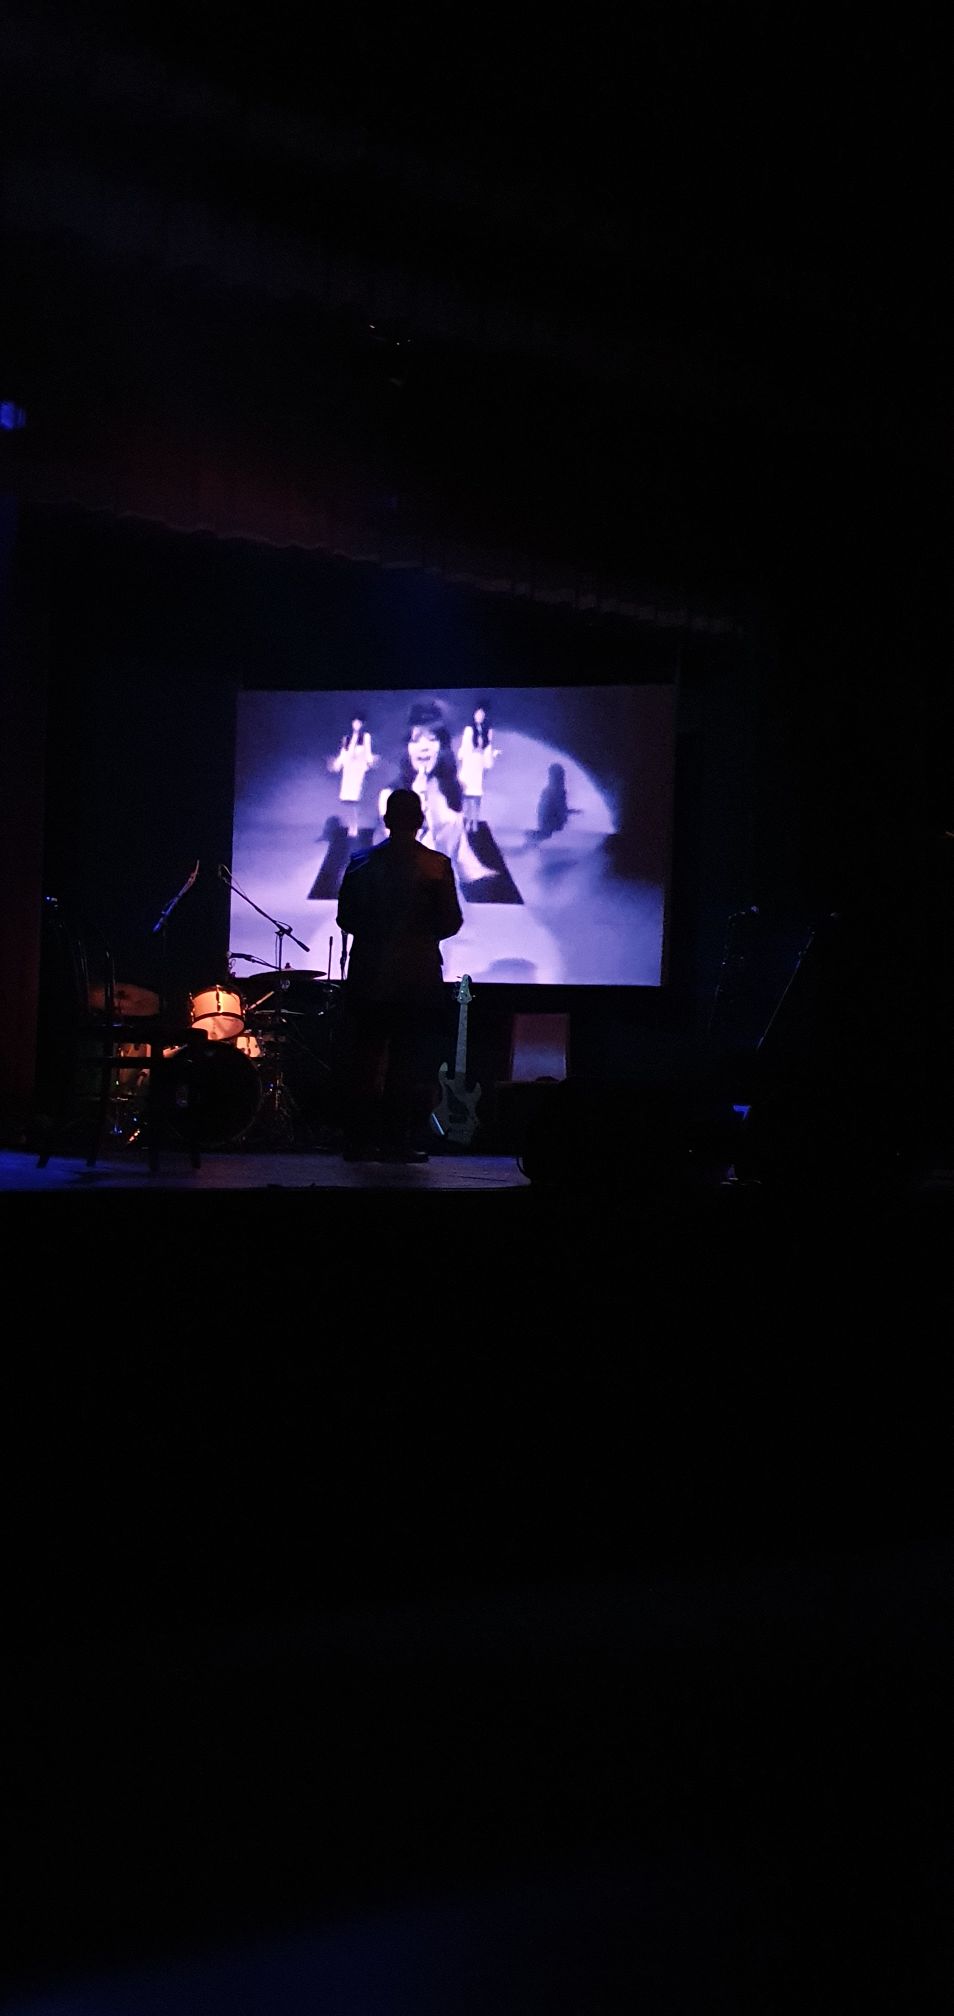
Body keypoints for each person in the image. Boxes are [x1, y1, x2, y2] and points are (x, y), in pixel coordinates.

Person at [336, 787, 463, 1160]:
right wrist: (420, 936)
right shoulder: (436, 865)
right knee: (405, 1063)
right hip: (416, 979)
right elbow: (451, 921)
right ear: (421, 820)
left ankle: (358, 1142)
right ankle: (395, 1142)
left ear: (387, 820)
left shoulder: (360, 862)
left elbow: (345, 918)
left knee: (364, 1060)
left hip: (368, 976)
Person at [378, 699, 492, 889]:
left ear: (442, 747)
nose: (424, 747)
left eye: (432, 739)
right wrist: (418, 805)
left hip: (445, 890)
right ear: (407, 748)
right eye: (416, 740)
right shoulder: (390, 796)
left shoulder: (452, 790)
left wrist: (479, 873)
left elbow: (461, 852)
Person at [328, 715, 378, 837]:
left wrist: (371, 762)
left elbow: (368, 753)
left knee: (357, 798)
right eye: (355, 723)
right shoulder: (347, 738)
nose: (356, 725)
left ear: (362, 724)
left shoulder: (365, 737)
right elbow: (343, 753)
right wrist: (337, 764)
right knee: (348, 800)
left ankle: (356, 825)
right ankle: (351, 825)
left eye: (359, 723)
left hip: (359, 769)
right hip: (349, 769)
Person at [457, 703, 501, 832]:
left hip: (478, 764)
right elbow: (465, 748)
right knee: (466, 794)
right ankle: (466, 822)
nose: (480, 716)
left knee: (476, 795)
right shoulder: (469, 730)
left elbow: (487, 749)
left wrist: (493, 754)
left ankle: (474, 822)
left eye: (482, 714)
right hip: (469, 763)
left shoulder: (487, 731)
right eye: (478, 713)